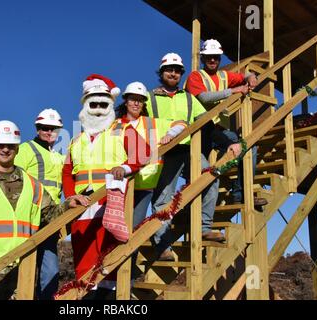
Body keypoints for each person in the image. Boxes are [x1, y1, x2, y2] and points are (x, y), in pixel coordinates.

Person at [0, 120, 89, 300]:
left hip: (21, 274)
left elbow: (50, 215)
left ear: (17, 148)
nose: (5, 149)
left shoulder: (33, 185)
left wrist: (67, 204)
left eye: (10, 145)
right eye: (0, 145)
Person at [62, 74, 150, 299]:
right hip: (82, 208)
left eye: (104, 104)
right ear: (85, 107)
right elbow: (67, 173)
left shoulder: (122, 130)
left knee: (109, 259)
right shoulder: (75, 140)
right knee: (83, 259)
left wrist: (126, 167)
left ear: (111, 105)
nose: (99, 109)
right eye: (94, 104)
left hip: (110, 205)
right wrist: (70, 196)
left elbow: (145, 153)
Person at [145, 53, 230, 261]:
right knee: (163, 198)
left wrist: (230, 142)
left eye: (176, 70)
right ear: (162, 73)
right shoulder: (149, 97)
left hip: (189, 150)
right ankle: (162, 245)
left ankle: (204, 227)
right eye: (169, 70)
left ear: (180, 74)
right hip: (164, 154)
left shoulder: (189, 98)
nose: (173, 73)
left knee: (210, 178)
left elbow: (206, 122)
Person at [114, 81, 187, 278]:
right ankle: (114, 280)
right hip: (120, 188)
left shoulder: (152, 123)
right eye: (133, 99)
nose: (136, 104)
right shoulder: (115, 126)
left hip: (144, 186)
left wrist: (170, 134)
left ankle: (126, 279)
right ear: (126, 101)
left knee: (133, 232)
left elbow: (182, 123)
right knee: (117, 234)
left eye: (140, 100)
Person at [185, 39, 268, 207]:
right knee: (196, 173)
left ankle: (241, 193)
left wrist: (250, 76)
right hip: (200, 129)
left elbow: (242, 76)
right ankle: (189, 209)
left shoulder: (223, 76)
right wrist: (233, 90)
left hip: (219, 130)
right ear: (202, 58)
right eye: (209, 57)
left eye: (216, 57)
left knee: (248, 147)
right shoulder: (196, 76)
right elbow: (203, 97)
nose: (213, 60)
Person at [14, 108, 65, 300]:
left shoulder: (59, 156)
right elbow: (15, 181)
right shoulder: (25, 150)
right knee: (22, 267)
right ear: (37, 129)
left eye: (53, 128)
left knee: (50, 270)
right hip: (28, 217)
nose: (49, 131)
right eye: (45, 128)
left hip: (51, 219)